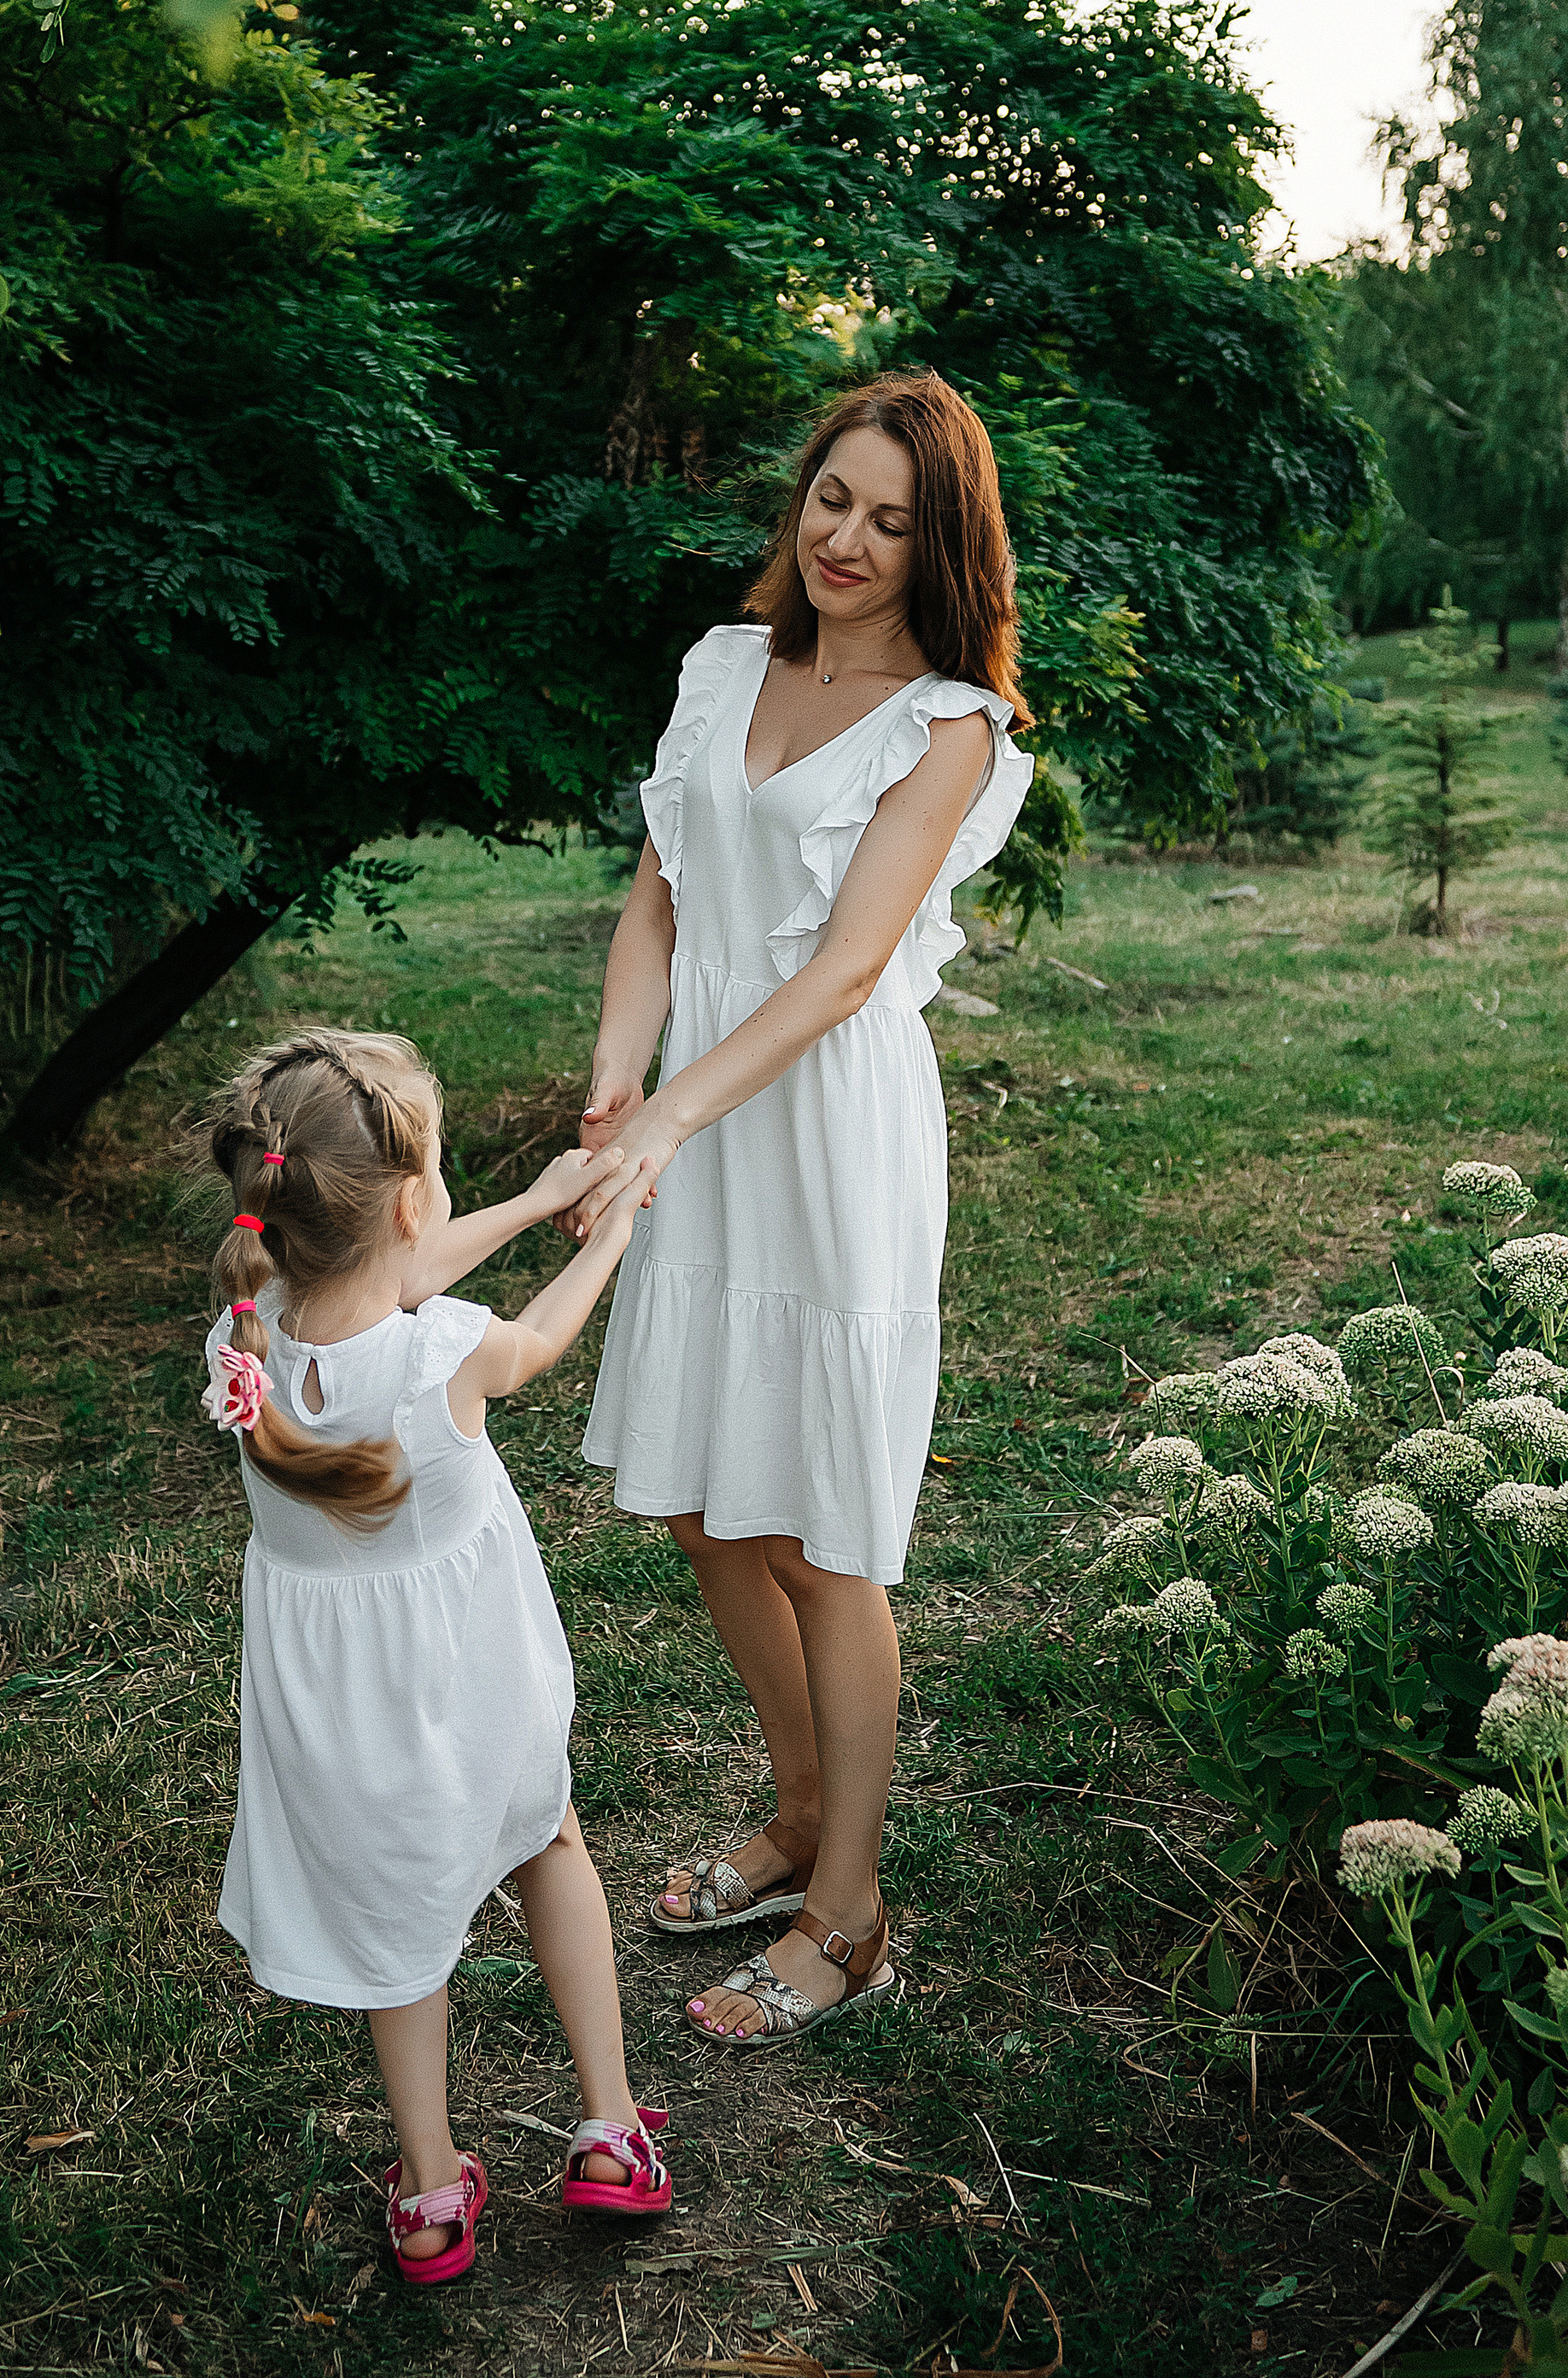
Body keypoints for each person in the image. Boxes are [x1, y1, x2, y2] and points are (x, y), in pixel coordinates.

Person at [570, 372, 1035, 2047]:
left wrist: (673, 1115)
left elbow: (843, 972)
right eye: (831, 498)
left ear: (940, 548)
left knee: (821, 1539)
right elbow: (660, 896)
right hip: (694, 1127)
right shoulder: (717, 667)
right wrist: (622, 1082)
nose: (847, 539)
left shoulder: (946, 728)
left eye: (892, 521)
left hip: (821, 1142)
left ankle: (848, 1914)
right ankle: (789, 1808)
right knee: (706, 1507)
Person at [200, 1026, 671, 2286]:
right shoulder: (444, 1353)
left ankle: (426, 2193)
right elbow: (538, 1335)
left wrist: (531, 1199)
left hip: (337, 1720)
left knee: (397, 1939)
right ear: (413, 1203)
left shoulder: (248, 1338)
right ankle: (614, 2128)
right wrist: (610, 1228)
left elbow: (387, 1281)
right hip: (472, 1685)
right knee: (549, 1843)